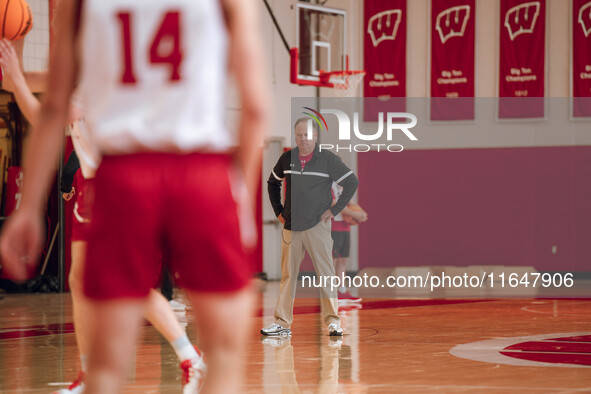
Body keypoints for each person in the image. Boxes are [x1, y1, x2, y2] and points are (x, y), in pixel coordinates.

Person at [0, 0, 268, 392]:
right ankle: (190, 360)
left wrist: (27, 209)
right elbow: (256, 108)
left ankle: (115, 370)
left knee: (109, 365)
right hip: (201, 172)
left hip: (122, 177)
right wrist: (239, 198)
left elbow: (52, 107)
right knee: (226, 354)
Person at [0, 39, 204, 394]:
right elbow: (40, 77)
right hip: (95, 188)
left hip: (122, 187)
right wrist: (12, 71)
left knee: (130, 286)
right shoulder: (83, 70)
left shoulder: (101, 82)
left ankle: (192, 358)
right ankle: (87, 373)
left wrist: (16, 79)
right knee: (79, 281)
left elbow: (41, 116)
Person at [261, 118, 358, 337]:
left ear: (315, 136)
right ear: (294, 136)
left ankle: (333, 322)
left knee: (326, 275)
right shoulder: (287, 158)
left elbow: (352, 181)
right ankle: (282, 322)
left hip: (318, 226)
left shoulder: (328, 159)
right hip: (291, 227)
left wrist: (335, 211)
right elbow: (272, 183)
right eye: (299, 135)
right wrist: (278, 211)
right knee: (288, 276)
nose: (303, 139)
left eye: (307, 135)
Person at [331, 181, 367, 304]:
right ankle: (330, 293)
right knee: (332, 261)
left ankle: (342, 291)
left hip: (345, 227)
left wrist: (361, 213)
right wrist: (353, 213)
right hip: (332, 227)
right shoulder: (325, 184)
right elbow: (333, 203)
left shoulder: (342, 185)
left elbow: (350, 201)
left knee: (343, 260)